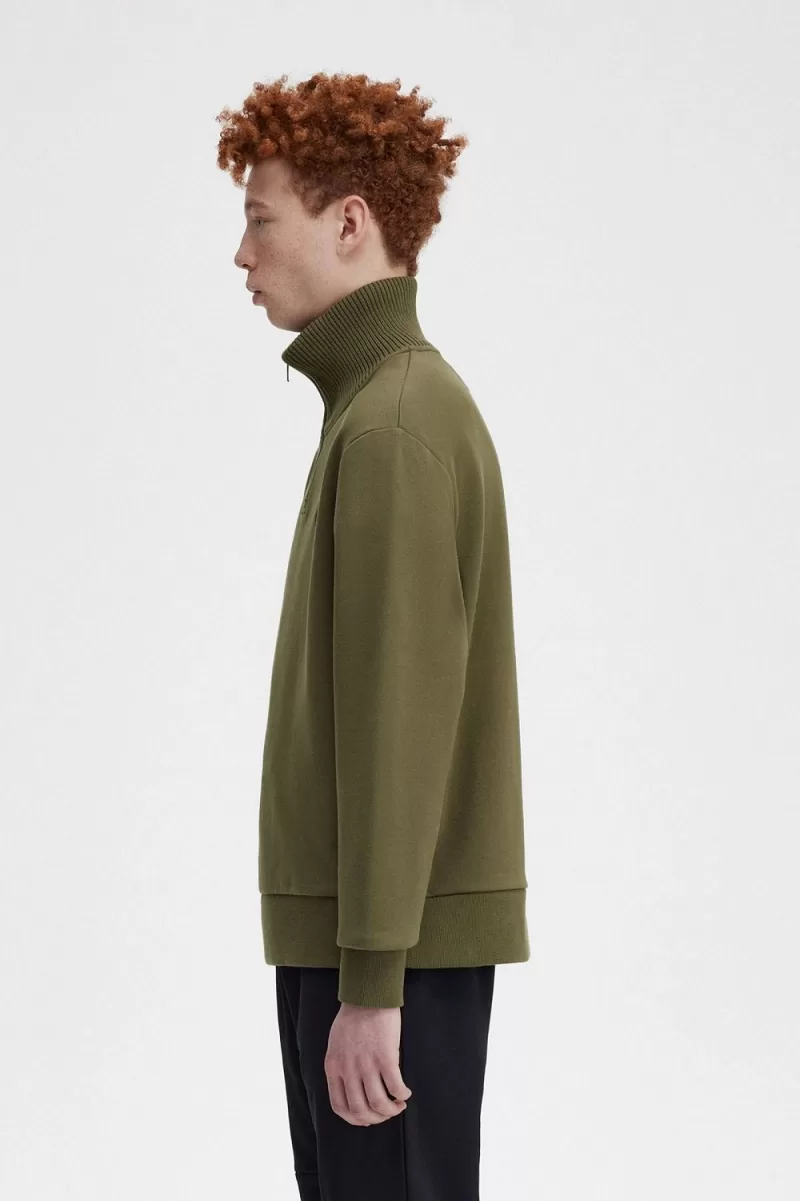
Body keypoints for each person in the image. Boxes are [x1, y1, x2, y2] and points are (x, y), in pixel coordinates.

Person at [218, 70, 530, 1201]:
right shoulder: (380, 407)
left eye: (261, 220)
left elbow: (398, 722)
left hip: (387, 960)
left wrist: (371, 983)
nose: (242, 255)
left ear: (349, 223)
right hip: (374, 945)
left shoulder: (393, 424)